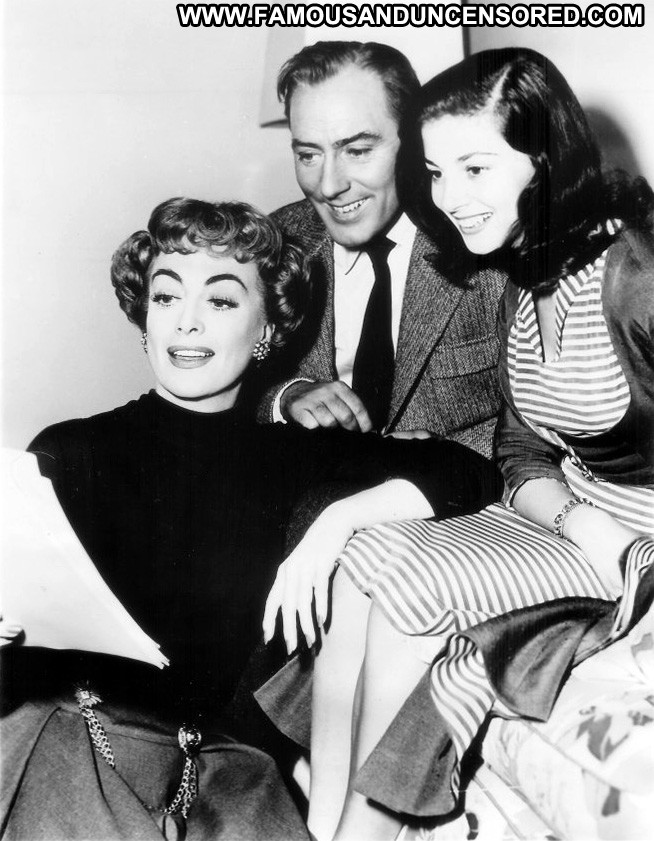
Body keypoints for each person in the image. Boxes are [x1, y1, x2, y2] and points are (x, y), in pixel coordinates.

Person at [0, 197, 503, 841]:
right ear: (144, 316)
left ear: (267, 328)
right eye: (165, 296)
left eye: (220, 300)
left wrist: (338, 522)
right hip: (68, 744)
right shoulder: (67, 452)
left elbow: (468, 471)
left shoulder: (294, 454)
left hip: (217, 774)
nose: (186, 322)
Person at [256, 48, 654, 841]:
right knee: (367, 559)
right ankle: (326, 824)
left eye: (475, 169)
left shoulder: (632, 276)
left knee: (407, 586)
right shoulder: (524, 265)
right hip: (566, 512)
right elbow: (523, 446)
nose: (449, 198)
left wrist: (614, 542)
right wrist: (576, 519)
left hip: (627, 531)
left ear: (544, 160)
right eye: (438, 172)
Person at [257, 41, 505, 456]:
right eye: (308, 155)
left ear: (413, 142)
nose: (329, 186)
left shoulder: (486, 244)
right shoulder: (277, 242)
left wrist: (439, 460)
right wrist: (286, 396)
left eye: (357, 151)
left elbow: (540, 422)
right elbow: (232, 382)